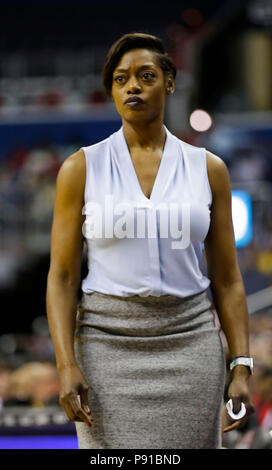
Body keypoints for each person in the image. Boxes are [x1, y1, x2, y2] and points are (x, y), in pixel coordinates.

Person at [46, 32, 255, 449]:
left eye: (145, 76)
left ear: (170, 82)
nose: (133, 87)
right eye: (121, 80)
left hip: (190, 344)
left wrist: (241, 366)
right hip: (105, 348)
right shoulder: (80, 168)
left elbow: (228, 280)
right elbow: (63, 277)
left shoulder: (208, 169)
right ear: (111, 91)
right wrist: (65, 364)